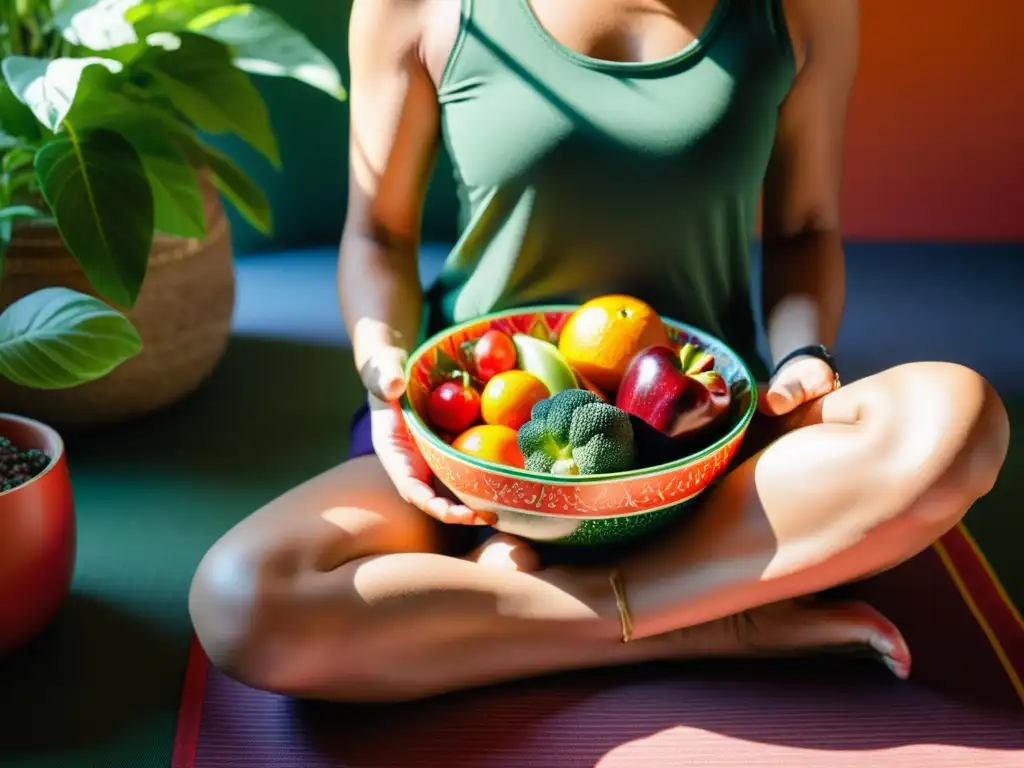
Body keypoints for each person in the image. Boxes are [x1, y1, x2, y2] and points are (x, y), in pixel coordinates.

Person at [189, 0, 1010, 703]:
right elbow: (378, 232)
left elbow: (803, 229)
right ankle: (701, 622)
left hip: (706, 443)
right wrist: (382, 375)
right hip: (486, 438)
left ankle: (544, 608)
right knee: (242, 603)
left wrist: (801, 356)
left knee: (957, 421)